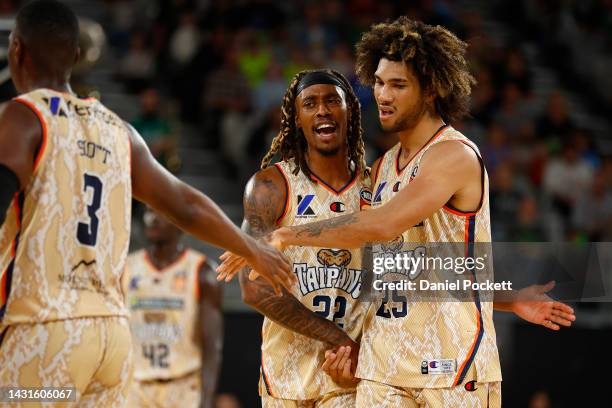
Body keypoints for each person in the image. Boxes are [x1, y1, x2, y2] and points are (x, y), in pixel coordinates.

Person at [219, 17, 575, 407]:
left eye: (398, 85)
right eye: (380, 82)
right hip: (385, 369)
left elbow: (385, 223)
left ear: (432, 89)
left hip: (452, 369)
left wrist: (286, 234)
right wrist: (507, 297)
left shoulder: (453, 155)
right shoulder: (385, 167)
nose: (383, 95)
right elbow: (424, 269)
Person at [0, 1, 291, 405]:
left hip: (43, 329)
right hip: (111, 341)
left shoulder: (21, 116)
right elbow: (186, 204)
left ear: (16, 51)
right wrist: (252, 249)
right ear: (78, 57)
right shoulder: (119, 131)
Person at [237, 69, 370, 407]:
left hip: (348, 378)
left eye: (332, 101)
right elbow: (254, 288)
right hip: (285, 375)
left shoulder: (377, 186)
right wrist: (336, 337)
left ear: (349, 111)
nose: (322, 110)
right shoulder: (271, 186)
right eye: (310, 103)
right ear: (297, 118)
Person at [126, 209, 222, 408]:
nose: (152, 218)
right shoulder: (126, 268)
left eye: (160, 211)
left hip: (183, 387)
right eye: (148, 211)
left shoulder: (202, 271)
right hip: (135, 387)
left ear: (180, 222)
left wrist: (207, 400)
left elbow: (212, 346)